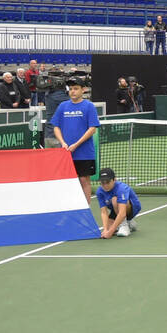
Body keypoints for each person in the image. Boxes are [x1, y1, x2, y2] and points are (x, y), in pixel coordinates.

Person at [51, 76, 100, 209]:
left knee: (84, 180)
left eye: (76, 89)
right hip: (66, 153)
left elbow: (92, 129)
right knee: (68, 181)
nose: (72, 91)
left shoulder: (89, 106)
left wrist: (76, 144)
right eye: (70, 89)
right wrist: (63, 142)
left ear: (83, 90)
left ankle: (85, 208)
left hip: (84, 153)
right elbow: (56, 126)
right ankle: (71, 207)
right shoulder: (63, 106)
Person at [95, 168, 141, 238]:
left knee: (114, 199)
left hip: (132, 208)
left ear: (114, 180)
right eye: (102, 183)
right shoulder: (100, 192)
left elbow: (122, 213)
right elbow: (104, 212)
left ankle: (124, 225)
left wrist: (109, 233)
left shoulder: (121, 188)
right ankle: (130, 223)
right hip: (116, 209)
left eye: (107, 182)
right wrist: (106, 229)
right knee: (110, 227)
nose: (105, 185)